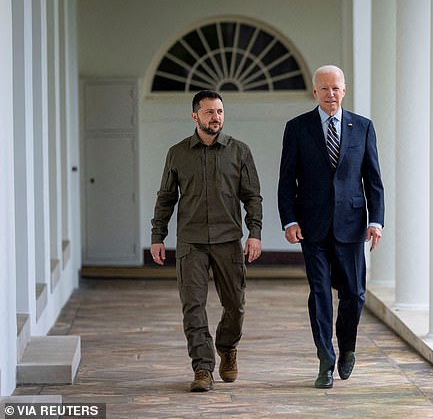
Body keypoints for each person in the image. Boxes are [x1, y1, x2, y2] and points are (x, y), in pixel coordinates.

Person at [277, 65, 385, 389]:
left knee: (354, 294)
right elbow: (286, 181)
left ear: (344, 90)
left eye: (335, 88)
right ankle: (325, 357)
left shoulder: (363, 127)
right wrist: (290, 219)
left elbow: (373, 180)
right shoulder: (297, 128)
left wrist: (376, 221)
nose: (331, 94)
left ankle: (347, 346)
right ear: (315, 92)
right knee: (320, 292)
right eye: (324, 89)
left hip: (352, 225)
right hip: (312, 227)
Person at [150, 90, 263, 392]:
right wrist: (157, 236)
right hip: (191, 242)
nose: (216, 118)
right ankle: (202, 368)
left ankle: (227, 347)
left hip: (229, 240)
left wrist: (255, 233)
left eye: (220, 112)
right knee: (193, 306)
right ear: (195, 116)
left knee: (235, 305)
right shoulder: (178, 153)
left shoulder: (240, 151)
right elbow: (166, 198)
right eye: (210, 112)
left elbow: (252, 197)